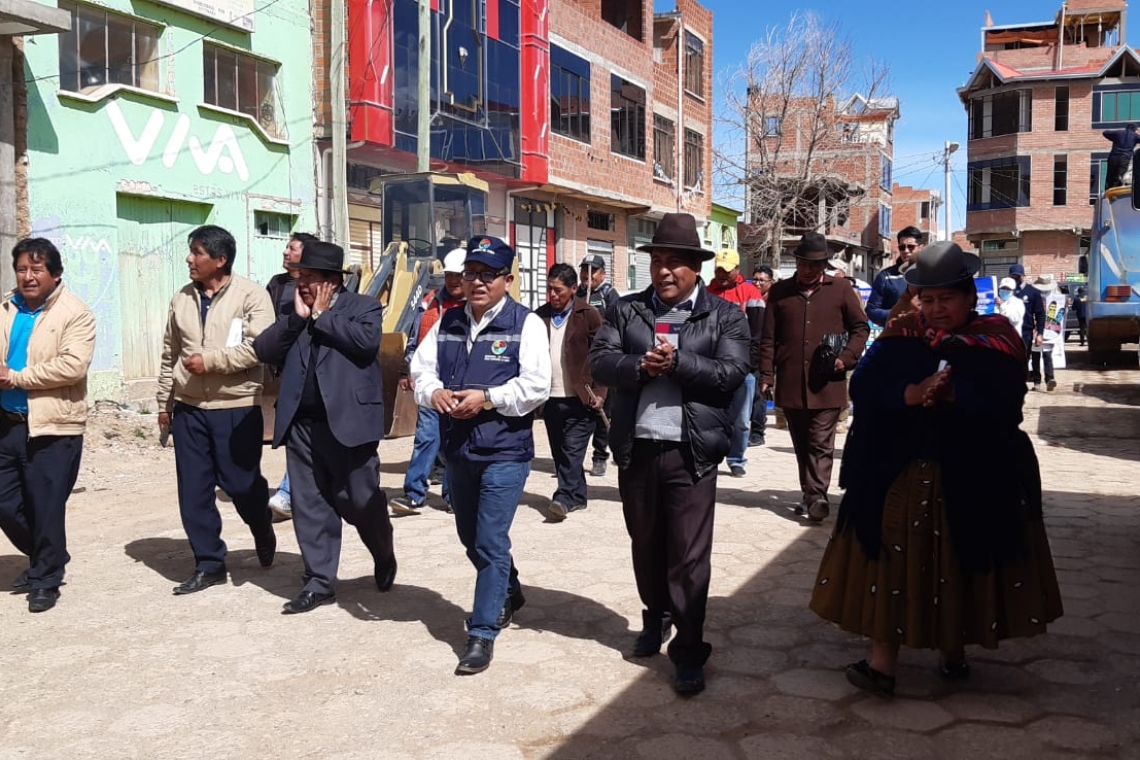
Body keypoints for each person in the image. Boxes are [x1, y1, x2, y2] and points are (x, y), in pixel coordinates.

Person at [809, 241, 1063, 697]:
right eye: (928, 298)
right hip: (900, 472)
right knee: (891, 565)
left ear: (970, 297)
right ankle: (882, 665)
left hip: (977, 473)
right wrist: (910, 393)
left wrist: (956, 398)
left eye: (947, 298)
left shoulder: (997, 338)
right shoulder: (902, 334)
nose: (937, 308)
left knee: (962, 561)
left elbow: (1010, 403)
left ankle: (954, 653)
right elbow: (865, 389)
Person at [590, 213, 750, 696]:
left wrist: (680, 363)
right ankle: (655, 618)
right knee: (646, 543)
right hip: (638, 449)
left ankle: (689, 648)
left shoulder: (726, 315)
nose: (665, 271)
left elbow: (733, 371)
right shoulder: (626, 310)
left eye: (676, 262)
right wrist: (640, 364)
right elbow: (599, 361)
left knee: (688, 555)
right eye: (658, 260)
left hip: (692, 452)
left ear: (696, 268)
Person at [410, 236, 551, 675]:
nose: (477, 282)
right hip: (458, 450)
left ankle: (482, 632)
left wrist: (487, 397)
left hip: (505, 451)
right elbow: (421, 366)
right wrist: (432, 392)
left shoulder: (524, 324)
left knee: (490, 540)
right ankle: (510, 587)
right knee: (470, 538)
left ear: (508, 280)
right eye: (471, 273)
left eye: (488, 275)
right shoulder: (448, 321)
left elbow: (536, 385)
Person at [253, 241, 397, 614]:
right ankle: (319, 582)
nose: (300, 282)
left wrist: (322, 316)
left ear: (333, 281)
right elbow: (265, 350)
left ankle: (383, 551)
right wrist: (298, 319)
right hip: (302, 425)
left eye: (310, 277)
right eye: (298, 275)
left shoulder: (363, 307)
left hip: (349, 425)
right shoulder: (293, 309)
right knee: (309, 504)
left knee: (359, 500)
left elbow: (366, 344)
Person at [158, 225, 277, 596]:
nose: (189, 260)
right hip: (190, 407)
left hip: (236, 407)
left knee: (240, 484)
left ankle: (261, 523)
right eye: (191, 252)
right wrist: (165, 402)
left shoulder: (252, 297)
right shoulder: (182, 299)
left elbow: (260, 348)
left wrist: (209, 361)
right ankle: (209, 563)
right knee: (193, 491)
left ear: (220, 259)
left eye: (197, 253)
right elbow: (169, 354)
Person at [0, 238, 95, 613]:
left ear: (55, 274)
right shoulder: (7, 308)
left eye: (36, 269)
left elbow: (73, 365)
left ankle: (45, 579)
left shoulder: (76, 313)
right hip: (7, 423)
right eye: (22, 269)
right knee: (6, 502)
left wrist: (18, 377)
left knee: (46, 506)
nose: (28, 276)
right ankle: (48, 553)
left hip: (54, 425)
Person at [757, 233, 869, 522]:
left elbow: (861, 329)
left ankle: (818, 496)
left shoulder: (841, 289)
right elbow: (768, 338)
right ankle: (810, 494)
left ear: (824, 265)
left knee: (820, 442)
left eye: (816, 265)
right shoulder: (780, 292)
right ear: (797, 261)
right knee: (802, 444)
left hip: (828, 383)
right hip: (792, 382)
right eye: (805, 263)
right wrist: (766, 375)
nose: (809, 270)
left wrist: (846, 358)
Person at [390, 248, 467, 516]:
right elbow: (414, 338)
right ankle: (413, 494)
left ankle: (453, 496)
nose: (453, 281)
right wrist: (405, 370)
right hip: (431, 382)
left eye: (458, 276)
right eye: (449, 276)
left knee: (454, 442)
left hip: (461, 384)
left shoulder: (476, 306)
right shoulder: (429, 302)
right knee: (425, 438)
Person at [536, 263, 605, 520]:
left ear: (574, 289)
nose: (552, 295)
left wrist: (600, 392)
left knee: (572, 451)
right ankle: (578, 496)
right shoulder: (538, 317)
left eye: (558, 290)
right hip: (551, 398)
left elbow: (603, 356)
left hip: (582, 397)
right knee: (559, 451)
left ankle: (563, 496)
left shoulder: (589, 315)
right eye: (549, 290)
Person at [265, 231, 319, 522]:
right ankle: (296, 490)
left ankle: (287, 493)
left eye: (292, 248)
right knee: (294, 429)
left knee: (301, 428)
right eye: (286, 246)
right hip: (285, 367)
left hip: (311, 367)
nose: (286, 251)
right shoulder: (276, 284)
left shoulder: (318, 285)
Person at [707, 248, 764, 477]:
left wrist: (748, 365)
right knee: (709, 415)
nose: (722, 274)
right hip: (712, 366)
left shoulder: (750, 293)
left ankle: (736, 458)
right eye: (719, 269)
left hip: (742, 368)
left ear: (738, 270)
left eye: (727, 271)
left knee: (741, 419)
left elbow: (758, 334)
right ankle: (708, 456)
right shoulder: (707, 293)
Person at [578, 254, 619, 477]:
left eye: (592, 270)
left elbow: (616, 324)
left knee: (603, 409)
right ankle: (573, 458)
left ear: (602, 273)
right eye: (584, 270)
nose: (587, 275)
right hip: (580, 361)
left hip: (603, 359)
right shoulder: (577, 293)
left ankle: (600, 456)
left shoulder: (609, 295)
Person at [867, 226, 923, 327]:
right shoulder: (886, 277)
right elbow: (872, 310)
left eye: (911, 246)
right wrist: (896, 315)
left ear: (921, 247)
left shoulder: (931, 275)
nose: (906, 251)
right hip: (896, 336)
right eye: (902, 247)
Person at [749, 265, 775, 447]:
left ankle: (758, 432)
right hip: (751, 350)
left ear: (770, 282)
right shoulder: (750, 298)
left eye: (761, 280)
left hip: (768, 351)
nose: (757, 283)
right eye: (755, 279)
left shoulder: (775, 301)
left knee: (760, 392)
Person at [1009, 264, 1047, 389]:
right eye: (1012, 276)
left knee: (1026, 356)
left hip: (1026, 331)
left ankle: (1035, 380)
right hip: (1009, 331)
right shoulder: (1007, 291)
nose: (1015, 278)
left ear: (1023, 276)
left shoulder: (1032, 292)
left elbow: (1040, 314)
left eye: (1017, 276)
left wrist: (1040, 333)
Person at [1032, 275, 1059, 392]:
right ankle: (1037, 381)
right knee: (1036, 357)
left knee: (1047, 356)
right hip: (1036, 330)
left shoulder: (1056, 296)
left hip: (1049, 331)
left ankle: (1049, 379)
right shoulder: (1033, 296)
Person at [1102, 123, 1139, 188]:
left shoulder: (1118, 133)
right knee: (1120, 176)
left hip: (1113, 157)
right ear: (1135, 129)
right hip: (1125, 158)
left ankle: (1108, 191)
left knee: (1110, 176)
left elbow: (1105, 132)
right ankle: (1117, 192)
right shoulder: (1135, 136)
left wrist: (1113, 138)